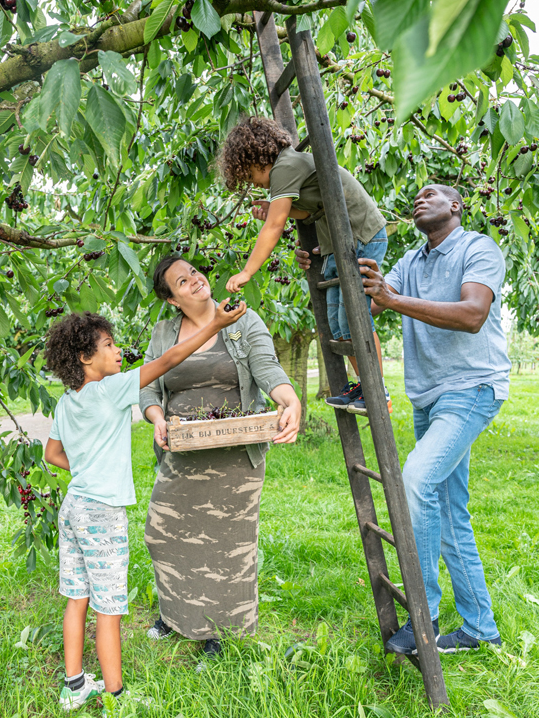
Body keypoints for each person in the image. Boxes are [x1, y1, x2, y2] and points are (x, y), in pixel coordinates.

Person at [298, 183, 511, 654]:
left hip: (473, 387)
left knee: (415, 478)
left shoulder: (478, 247)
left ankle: (425, 616)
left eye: (432, 193)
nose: (420, 197)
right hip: (429, 397)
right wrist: (325, 266)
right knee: (452, 514)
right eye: (416, 195)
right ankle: (481, 628)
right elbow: (369, 298)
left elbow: (474, 313)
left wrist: (392, 301)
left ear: (455, 206)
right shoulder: (411, 263)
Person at [43, 302, 247, 710]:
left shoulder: (67, 401)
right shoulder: (110, 389)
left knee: (77, 598)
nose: (119, 351)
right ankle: (117, 696)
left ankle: (75, 685)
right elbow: (170, 359)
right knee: (109, 607)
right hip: (102, 513)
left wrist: (86, 467)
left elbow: (52, 454)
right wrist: (218, 325)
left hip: (75, 508)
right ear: (86, 358)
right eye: (109, 344)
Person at [140, 256, 301, 668]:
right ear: (172, 300)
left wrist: (290, 400)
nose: (194, 280)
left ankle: (220, 630)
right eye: (182, 281)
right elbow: (149, 389)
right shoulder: (163, 332)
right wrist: (157, 418)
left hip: (234, 453)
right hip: (183, 450)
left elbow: (268, 370)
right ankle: (176, 616)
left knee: (228, 546)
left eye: (194, 272)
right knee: (164, 532)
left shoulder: (241, 319)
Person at [218, 116, 390, 415]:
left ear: (257, 158)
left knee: (354, 317)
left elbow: (275, 227)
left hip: (361, 236)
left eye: (249, 176)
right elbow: (303, 211)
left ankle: (378, 389)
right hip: (339, 244)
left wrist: (247, 271)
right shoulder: (288, 166)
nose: (254, 183)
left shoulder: (285, 166)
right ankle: (364, 385)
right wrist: (274, 208)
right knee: (339, 323)